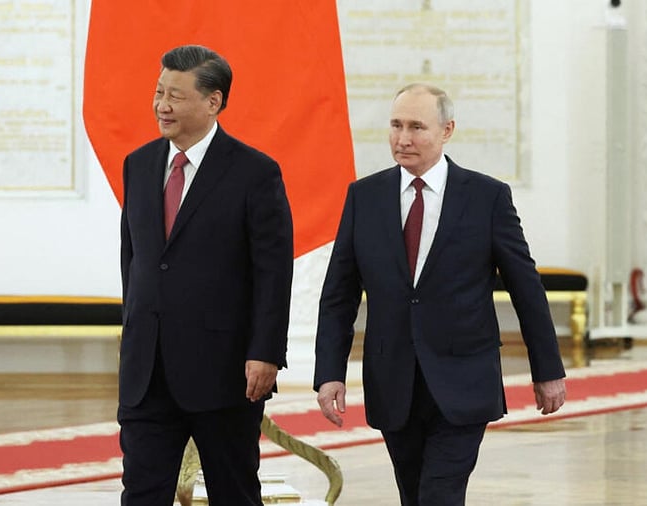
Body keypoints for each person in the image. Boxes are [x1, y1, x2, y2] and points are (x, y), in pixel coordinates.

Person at [313, 83, 566, 506]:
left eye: (416, 127)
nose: (403, 138)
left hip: (464, 378)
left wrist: (548, 370)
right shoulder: (364, 197)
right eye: (396, 125)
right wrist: (329, 372)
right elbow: (338, 295)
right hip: (393, 380)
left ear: (447, 130)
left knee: (439, 494)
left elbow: (526, 287)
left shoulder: (487, 197)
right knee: (413, 494)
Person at [118, 44, 294, 505]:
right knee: (140, 493)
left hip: (225, 372)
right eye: (159, 92)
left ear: (213, 101)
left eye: (175, 95)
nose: (162, 105)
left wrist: (266, 352)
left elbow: (273, 273)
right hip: (147, 372)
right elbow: (133, 261)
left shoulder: (254, 172)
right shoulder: (138, 165)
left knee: (234, 492)